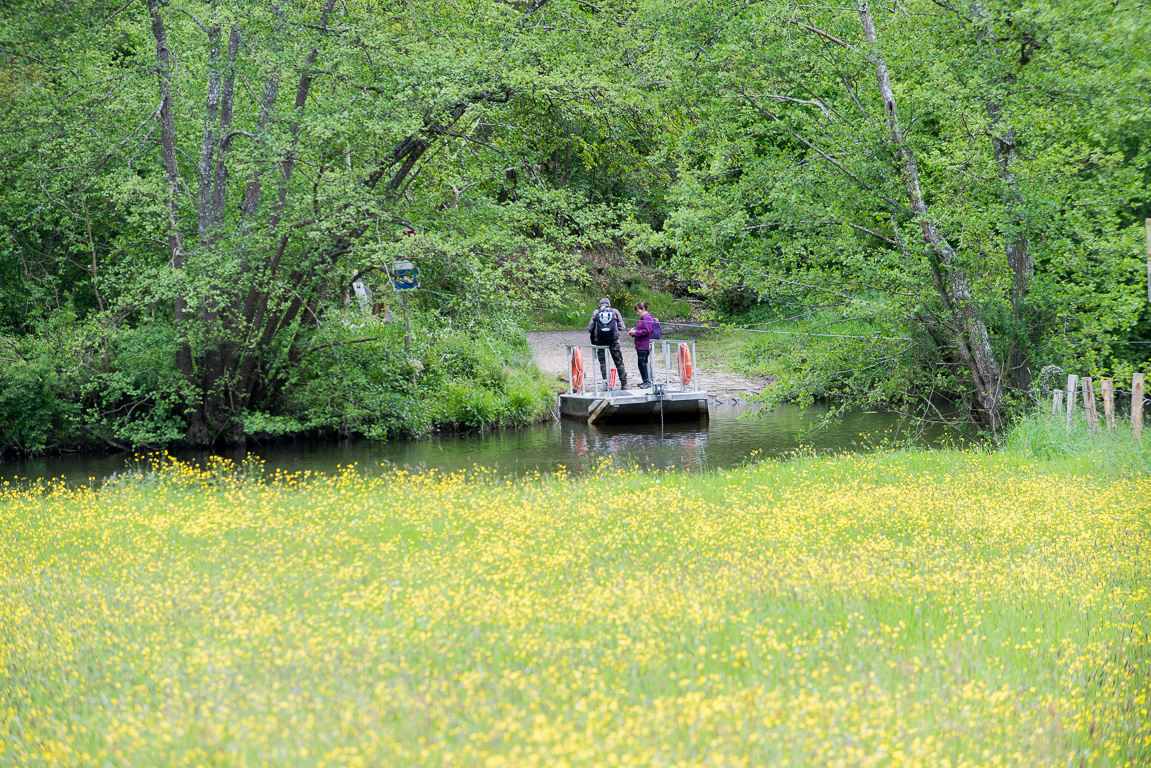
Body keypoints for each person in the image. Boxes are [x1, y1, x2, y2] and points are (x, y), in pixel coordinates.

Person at [587, 298, 628, 389]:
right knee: (619, 362)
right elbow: (622, 327)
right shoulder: (615, 311)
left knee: (603, 363)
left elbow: (590, 328)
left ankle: (607, 385)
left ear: (600, 305)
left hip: (600, 342)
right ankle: (624, 384)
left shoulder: (596, 312)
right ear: (609, 304)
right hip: (614, 341)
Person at [628, 301, 654, 388]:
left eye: (638, 311)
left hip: (644, 345)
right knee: (643, 363)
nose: (637, 313)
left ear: (643, 309)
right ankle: (646, 380)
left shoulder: (647, 318)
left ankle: (646, 381)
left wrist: (636, 332)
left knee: (642, 363)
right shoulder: (643, 318)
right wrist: (633, 333)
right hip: (640, 344)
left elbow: (648, 331)